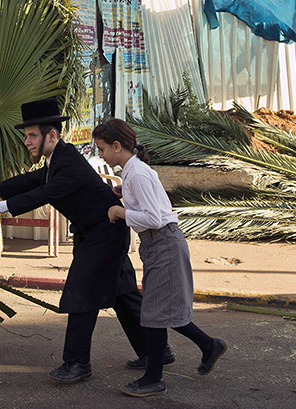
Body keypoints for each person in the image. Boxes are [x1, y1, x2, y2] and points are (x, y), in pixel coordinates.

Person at [0, 98, 167, 384]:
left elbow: (42, 194)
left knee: (81, 294)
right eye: (26, 136)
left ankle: (77, 363)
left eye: (32, 135)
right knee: (123, 292)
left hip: (105, 233)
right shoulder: (56, 160)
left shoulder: (69, 163)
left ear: (52, 135)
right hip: (98, 232)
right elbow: (29, 182)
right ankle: (154, 352)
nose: (27, 142)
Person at [92, 118, 227, 397]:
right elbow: (149, 206)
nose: (101, 154)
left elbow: (152, 218)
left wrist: (121, 212)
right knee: (165, 311)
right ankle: (209, 346)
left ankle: (154, 377)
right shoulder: (133, 172)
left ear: (117, 146)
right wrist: (125, 197)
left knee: (153, 313)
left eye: (103, 148)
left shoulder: (137, 173)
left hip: (163, 242)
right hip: (159, 244)